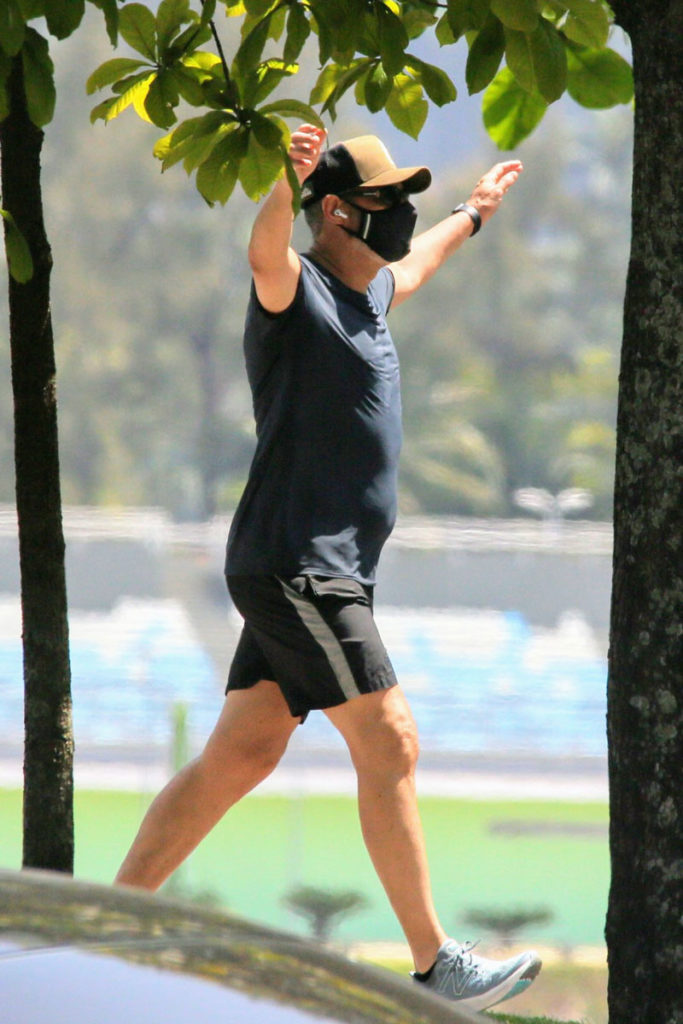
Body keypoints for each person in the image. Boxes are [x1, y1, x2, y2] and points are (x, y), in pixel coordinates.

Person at [116, 125, 541, 1011]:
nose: (404, 213)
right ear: (341, 212)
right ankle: (436, 963)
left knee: (241, 755)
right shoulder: (297, 291)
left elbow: (414, 265)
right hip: (302, 568)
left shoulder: (370, 297)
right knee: (389, 739)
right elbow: (262, 251)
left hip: (316, 568)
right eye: (389, 200)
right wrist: (285, 178)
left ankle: (108, 929)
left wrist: (473, 215)